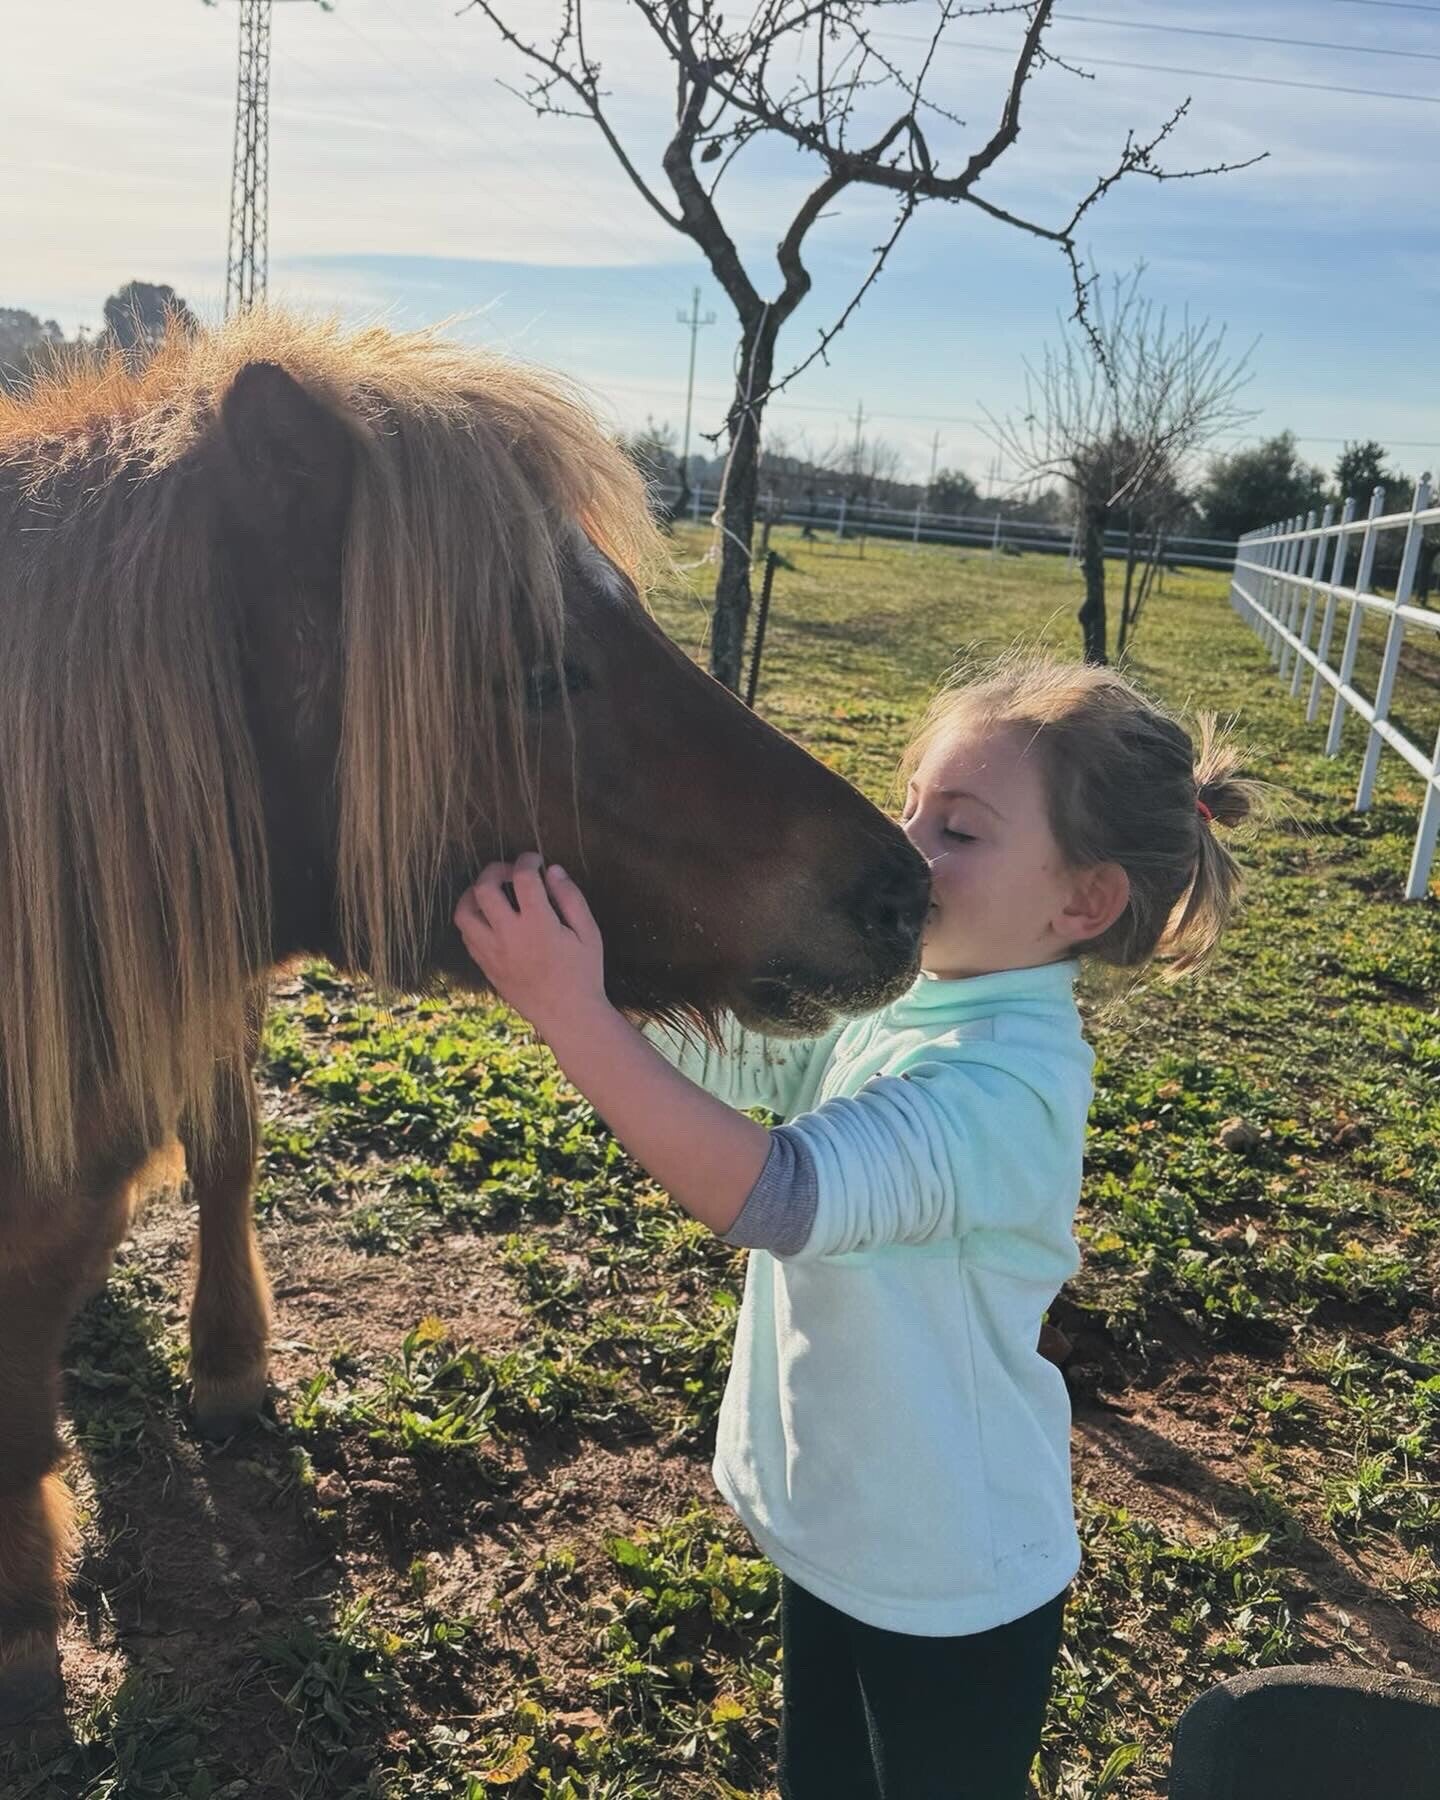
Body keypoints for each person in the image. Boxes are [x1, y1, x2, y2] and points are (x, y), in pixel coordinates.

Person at [453, 652, 1256, 1800]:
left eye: (961, 832)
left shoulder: (1004, 1087)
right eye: (912, 806)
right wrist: (570, 976)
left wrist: (575, 1014)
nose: (909, 850)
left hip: (952, 1584)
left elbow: (775, 1191)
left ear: (1083, 901)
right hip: (846, 1532)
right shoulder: (923, 1000)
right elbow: (735, 1051)